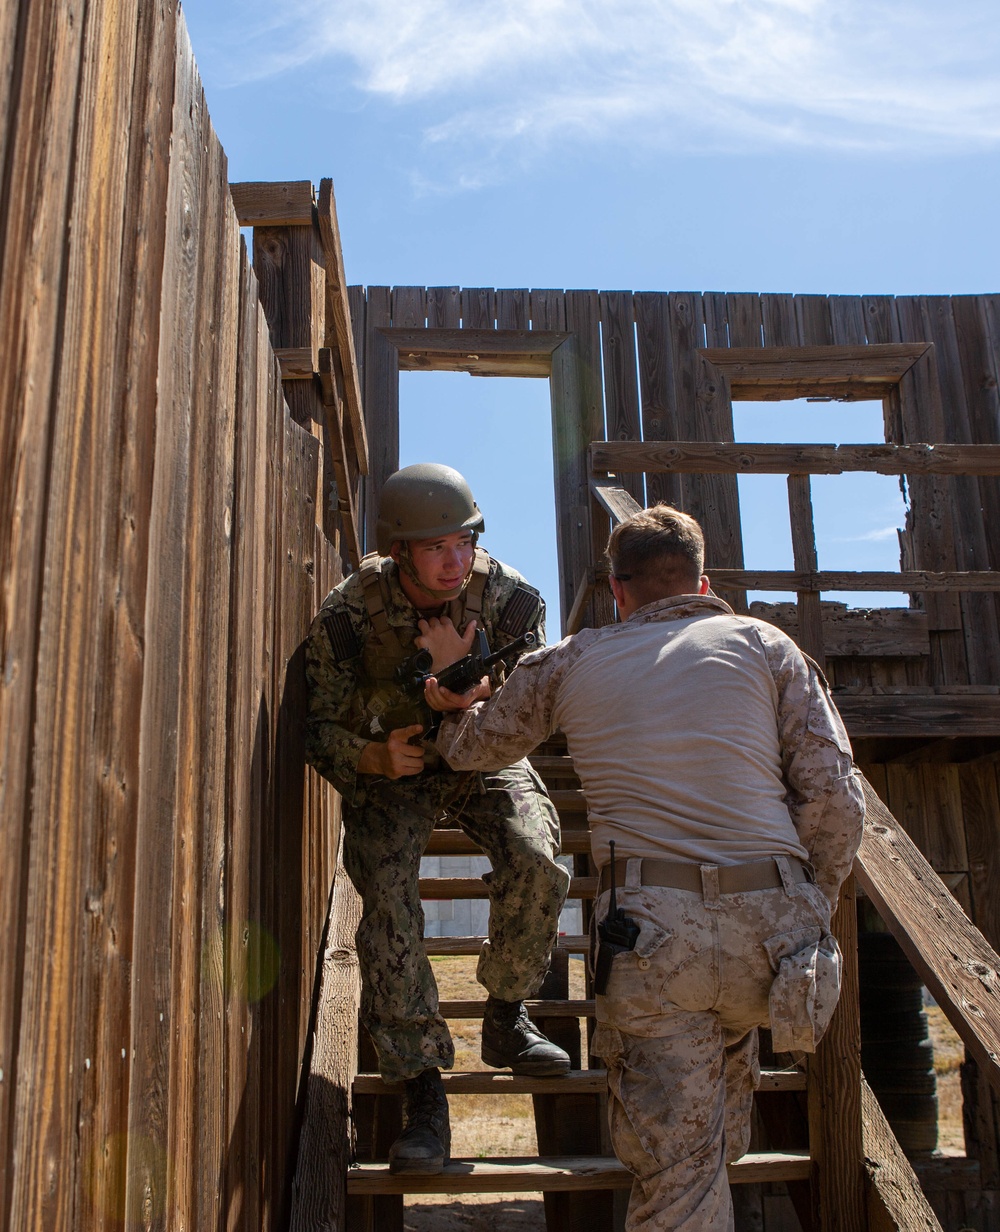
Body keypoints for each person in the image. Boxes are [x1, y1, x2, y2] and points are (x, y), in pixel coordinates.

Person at [428, 504, 865, 1230]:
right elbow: (835, 797)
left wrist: (452, 692)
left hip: (657, 941)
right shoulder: (765, 645)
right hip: (778, 945)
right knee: (720, 1116)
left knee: (677, 1177)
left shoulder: (570, 659)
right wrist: (806, 901)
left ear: (616, 589)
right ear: (702, 582)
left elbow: (474, 750)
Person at [304, 463, 571, 1176]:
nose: (456, 563)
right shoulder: (351, 613)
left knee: (539, 856)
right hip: (401, 765)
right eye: (436, 548)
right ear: (400, 552)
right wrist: (371, 758)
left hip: (485, 754)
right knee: (386, 892)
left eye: (465, 543)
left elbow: (535, 714)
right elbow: (314, 723)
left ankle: (507, 1014)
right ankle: (424, 1090)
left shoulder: (511, 603)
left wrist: (472, 699)